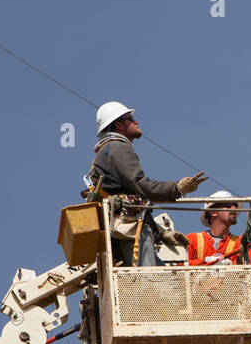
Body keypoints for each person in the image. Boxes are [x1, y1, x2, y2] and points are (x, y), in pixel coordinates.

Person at [88, 101, 207, 266]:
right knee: (149, 283)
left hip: (123, 229)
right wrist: (177, 188)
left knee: (165, 283)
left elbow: (131, 194)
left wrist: (160, 233)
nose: (136, 121)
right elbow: (141, 186)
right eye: (130, 118)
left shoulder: (106, 151)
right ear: (118, 125)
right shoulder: (117, 148)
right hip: (130, 229)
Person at [185, 190, 251, 265]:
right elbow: (181, 266)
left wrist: (231, 265)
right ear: (213, 212)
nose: (234, 208)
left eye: (235, 205)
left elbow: (248, 269)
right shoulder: (192, 240)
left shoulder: (240, 243)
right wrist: (205, 260)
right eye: (228, 205)